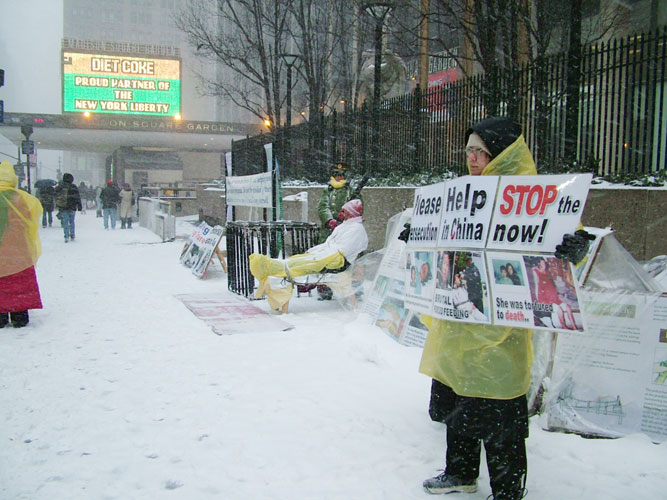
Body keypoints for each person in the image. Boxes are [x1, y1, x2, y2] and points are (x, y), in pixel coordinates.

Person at [419, 116, 538, 500]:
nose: (472, 158)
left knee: (500, 415)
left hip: (501, 333)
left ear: (502, 154)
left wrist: (574, 245)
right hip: (460, 321)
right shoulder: (464, 193)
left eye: (481, 152)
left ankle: (507, 490)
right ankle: (460, 472)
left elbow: (560, 236)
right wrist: (418, 234)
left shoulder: (531, 195)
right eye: (469, 150)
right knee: (460, 400)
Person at [250, 199, 368, 310]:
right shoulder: (345, 226)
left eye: (344, 211)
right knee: (299, 259)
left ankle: (273, 266)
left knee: (301, 264)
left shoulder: (356, 229)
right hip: (328, 257)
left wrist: (319, 255)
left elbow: (341, 251)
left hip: (336, 262)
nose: (341, 213)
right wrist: (315, 251)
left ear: (351, 213)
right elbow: (329, 245)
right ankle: (276, 265)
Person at [0, 161, 43, 328]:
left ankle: (1, 316)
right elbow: (31, 217)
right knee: (18, 282)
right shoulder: (20, 198)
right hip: (18, 247)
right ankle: (19, 315)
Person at [316, 163, 362, 300]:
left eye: (341, 175)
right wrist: (330, 220)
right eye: (336, 175)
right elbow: (322, 207)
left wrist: (346, 216)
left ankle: (355, 290)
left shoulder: (350, 191)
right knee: (325, 259)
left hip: (347, 231)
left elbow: (358, 208)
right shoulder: (328, 191)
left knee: (352, 260)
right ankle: (325, 289)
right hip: (329, 232)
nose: (339, 177)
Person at [531, 257, 577, 330]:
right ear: (538, 263)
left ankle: (574, 326)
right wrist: (538, 299)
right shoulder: (536, 271)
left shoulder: (548, 272)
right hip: (545, 297)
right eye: (542, 263)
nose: (543, 264)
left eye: (544, 263)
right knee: (559, 309)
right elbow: (536, 285)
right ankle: (563, 326)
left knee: (568, 307)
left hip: (554, 297)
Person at [55, 173, 82, 243]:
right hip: (72, 207)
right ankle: (72, 235)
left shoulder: (61, 186)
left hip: (63, 207)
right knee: (72, 222)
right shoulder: (74, 187)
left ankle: (66, 236)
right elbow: (77, 197)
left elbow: (55, 194)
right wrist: (79, 205)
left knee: (65, 222)